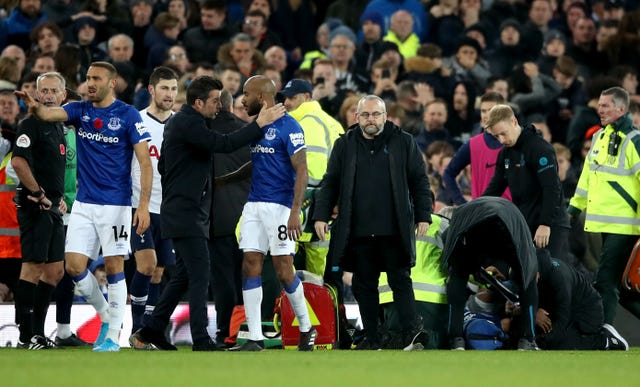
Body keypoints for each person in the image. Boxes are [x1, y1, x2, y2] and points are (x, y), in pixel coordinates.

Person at [130, 75, 285, 351]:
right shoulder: (189, 123)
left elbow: (166, 165)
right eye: (214, 101)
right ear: (199, 102)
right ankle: (201, 339)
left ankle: (151, 329)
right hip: (186, 212)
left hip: (182, 209)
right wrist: (259, 124)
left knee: (185, 276)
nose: (219, 106)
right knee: (201, 273)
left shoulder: (186, 122)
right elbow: (223, 144)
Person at [15, 61, 153, 353]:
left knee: (114, 265)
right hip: (84, 203)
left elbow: (144, 162)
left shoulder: (128, 115)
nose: (90, 83)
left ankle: (113, 335)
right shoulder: (80, 110)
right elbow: (49, 112)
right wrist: (33, 105)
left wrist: (142, 206)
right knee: (73, 266)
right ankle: (106, 315)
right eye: (88, 78)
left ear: (111, 83)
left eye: (96, 79)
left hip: (116, 204)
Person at [313, 95, 433, 350]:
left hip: (393, 229)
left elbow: (419, 181)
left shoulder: (404, 141)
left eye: (376, 114)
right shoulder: (344, 144)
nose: (371, 119)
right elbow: (331, 181)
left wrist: (424, 215)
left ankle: (413, 333)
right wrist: (320, 215)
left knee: (400, 280)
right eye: (365, 115)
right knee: (363, 284)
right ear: (357, 118)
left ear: (385, 116)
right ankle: (373, 336)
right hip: (357, 230)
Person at [230, 75, 315, 352]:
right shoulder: (257, 127)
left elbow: (302, 170)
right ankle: (255, 338)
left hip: (280, 207)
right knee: (250, 264)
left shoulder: (290, 126)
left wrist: (294, 212)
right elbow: (257, 163)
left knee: (283, 271)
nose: (242, 100)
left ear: (262, 96)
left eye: (246, 94)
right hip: (254, 204)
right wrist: (225, 179)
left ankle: (306, 327)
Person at [568, 86, 640, 325]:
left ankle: (603, 335)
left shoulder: (634, 141)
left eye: (605, 105)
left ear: (621, 108)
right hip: (601, 223)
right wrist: (573, 210)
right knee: (624, 288)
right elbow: (587, 177)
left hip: (626, 226)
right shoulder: (599, 137)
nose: (599, 109)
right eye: (599, 104)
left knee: (606, 281)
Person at [12, 72, 67, 349]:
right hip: (35, 205)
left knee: (55, 271)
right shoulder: (30, 125)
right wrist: (38, 193)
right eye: (42, 91)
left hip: (52, 205)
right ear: (36, 94)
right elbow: (19, 163)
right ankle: (26, 336)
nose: (47, 95)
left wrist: (58, 197)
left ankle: (38, 332)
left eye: (53, 91)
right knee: (33, 267)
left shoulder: (59, 127)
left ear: (63, 96)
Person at [442, 196, 539, 350]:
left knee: (458, 276)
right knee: (528, 280)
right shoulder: (515, 223)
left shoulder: (462, 215)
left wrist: (467, 268)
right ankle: (527, 340)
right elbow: (528, 272)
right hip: (507, 220)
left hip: (471, 221)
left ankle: (455, 339)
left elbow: (448, 238)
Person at [482, 104, 570, 263]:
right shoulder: (505, 153)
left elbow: (551, 188)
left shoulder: (539, 149)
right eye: (496, 136)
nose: (501, 140)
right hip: (526, 223)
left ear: (514, 122)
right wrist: (476, 208)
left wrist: (545, 224)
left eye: (503, 134)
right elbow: (496, 186)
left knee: (552, 276)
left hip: (551, 225)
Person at [128, 66, 179, 335]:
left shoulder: (180, 124)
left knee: (159, 271)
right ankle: (137, 327)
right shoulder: (135, 121)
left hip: (170, 209)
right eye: (164, 88)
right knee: (146, 265)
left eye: (173, 89)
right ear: (151, 90)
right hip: (140, 205)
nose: (169, 94)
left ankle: (150, 330)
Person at [282, 78, 344, 276]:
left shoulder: (304, 123)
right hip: (330, 204)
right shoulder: (332, 123)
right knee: (320, 268)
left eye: (292, 97)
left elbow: (312, 174)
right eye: (285, 97)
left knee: (289, 261)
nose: (286, 102)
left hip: (308, 204)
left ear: (307, 97)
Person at [208, 89, 251, 347]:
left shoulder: (203, 134)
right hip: (248, 216)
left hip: (218, 218)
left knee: (223, 279)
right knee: (249, 277)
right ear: (230, 106)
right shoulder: (248, 131)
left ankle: (226, 330)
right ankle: (247, 327)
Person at [535, 249, 628, 350]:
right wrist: (534, 313)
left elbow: (563, 318)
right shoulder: (537, 271)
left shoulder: (560, 279)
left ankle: (605, 339)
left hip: (588, 314)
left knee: (558, 343)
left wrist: (544, 340)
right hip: (562, 309)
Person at [442, 92, 511, 205]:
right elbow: (448, 174)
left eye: (491, 110)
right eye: (483, 111)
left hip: (511, 213)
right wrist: (462, 204)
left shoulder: (515, 143)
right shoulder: (472, 144)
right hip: (481, 215)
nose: (486, 115)